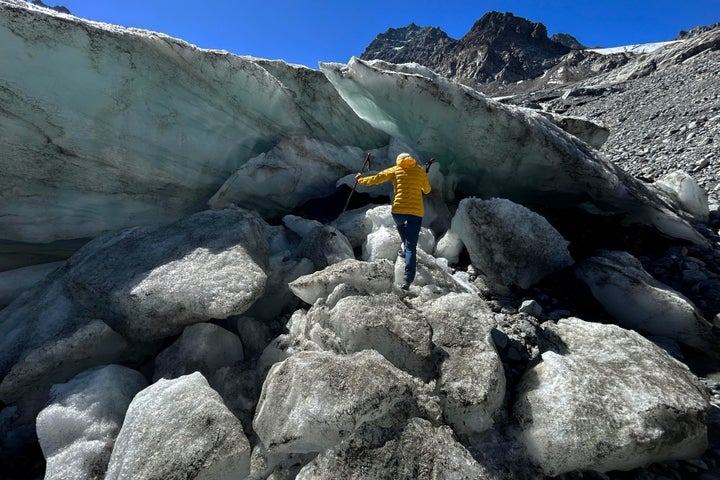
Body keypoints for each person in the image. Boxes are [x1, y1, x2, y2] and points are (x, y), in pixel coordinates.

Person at [356, 152, 431, 290]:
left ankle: (405, 248)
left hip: (399, 211)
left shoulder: (395, 170)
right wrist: (420, 182)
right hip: (415, 213)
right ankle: (407, 280)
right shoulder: (420, 171)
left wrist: (361, 179)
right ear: (411, 161)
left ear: (399, 161)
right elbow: (427, 190)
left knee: (401, 226)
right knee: (410, 247)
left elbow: (377, 178)